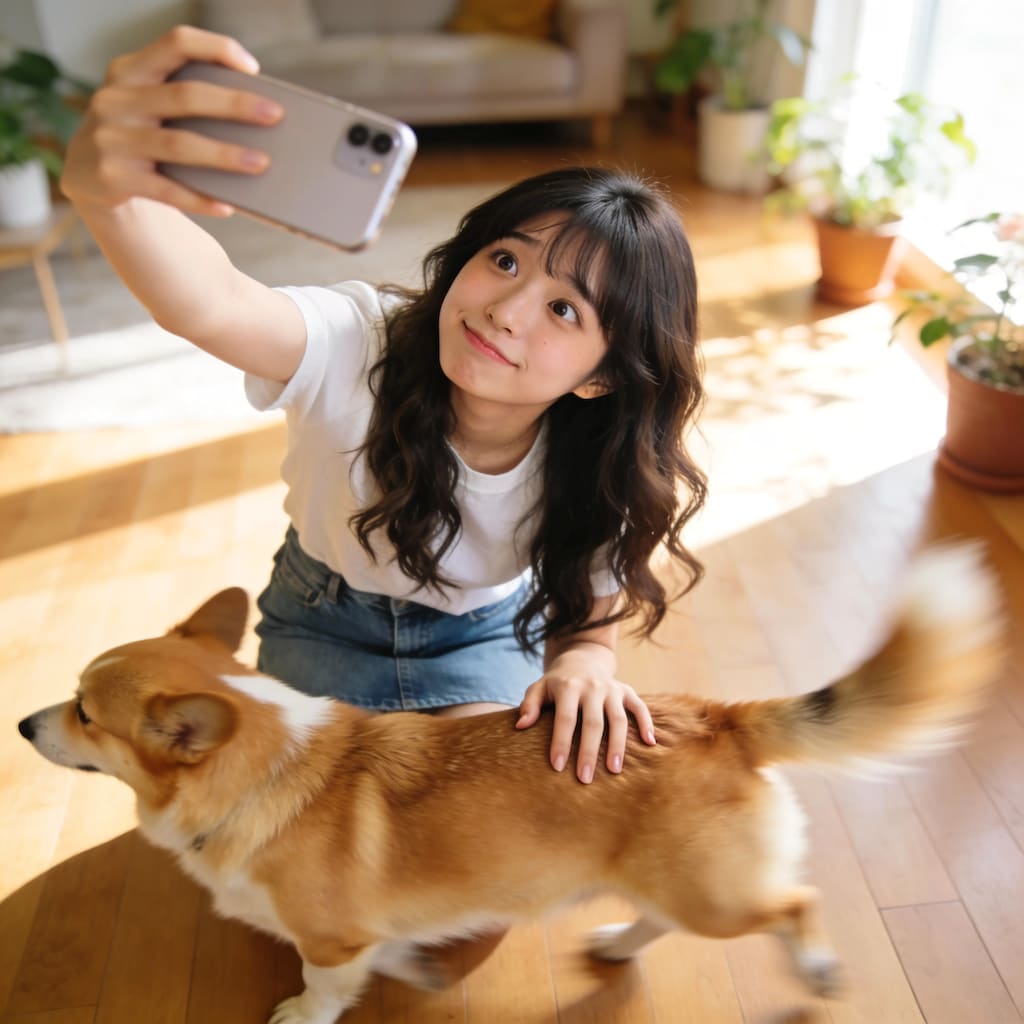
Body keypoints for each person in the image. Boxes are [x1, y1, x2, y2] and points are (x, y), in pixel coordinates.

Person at [62, 25, 706, 825]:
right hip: (322, 619)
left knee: (475, 833)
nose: (507, 311)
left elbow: (588, 617)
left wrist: (582, 664)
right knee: (289, 832)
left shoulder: (606, 463)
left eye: (564, 309)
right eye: (505, 260)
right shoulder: (356, 339)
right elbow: (213, 302)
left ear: (602, 376)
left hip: (479, 636)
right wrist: (104, 192)